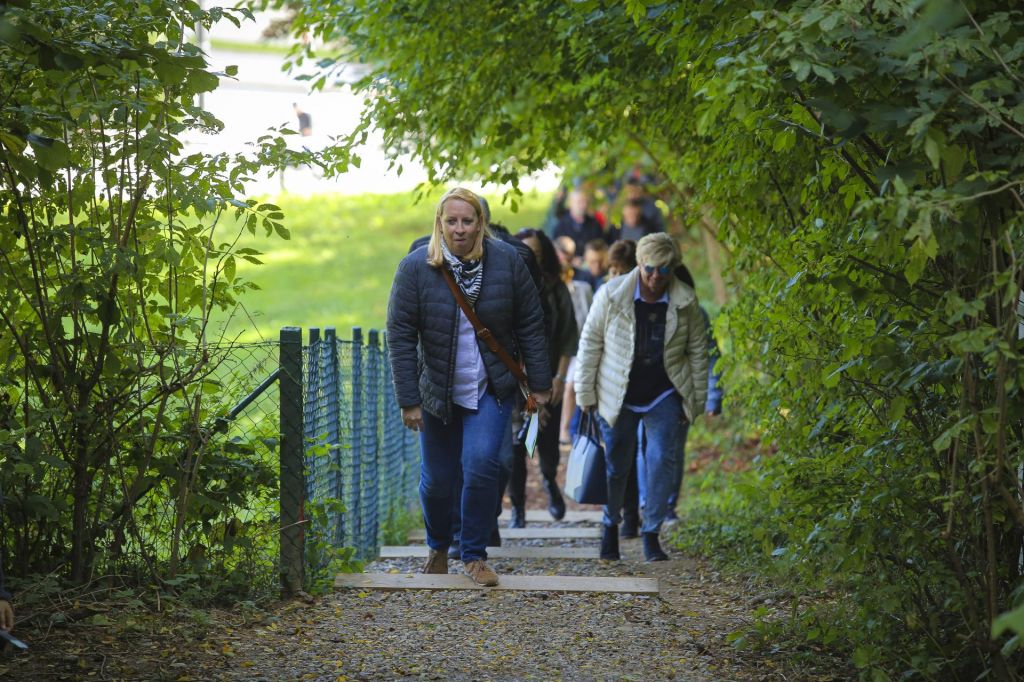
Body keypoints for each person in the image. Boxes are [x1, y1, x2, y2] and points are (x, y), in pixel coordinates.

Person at [387, 188, 552, 586]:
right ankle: (438, 546)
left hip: (489, 388)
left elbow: (532, 324)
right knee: (438, 481)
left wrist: (541, 386)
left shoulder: (508, 263)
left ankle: (474, 555)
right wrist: (409, 400)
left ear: (481, 224)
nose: (459, 229)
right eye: (452, 221)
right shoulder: (415, 268)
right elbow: (400, 334)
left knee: (482, 467)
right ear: (439, 223)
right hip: (436, 392)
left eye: (467, 220)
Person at [574, 233, 708, 562]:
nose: (655, 277)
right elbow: (590, 342)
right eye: (650, 269)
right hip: (617, 391)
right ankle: (610, 526)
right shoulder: (611, 294)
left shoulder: (685, 300)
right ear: (638, 264)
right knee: (617, 466)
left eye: (664, 270)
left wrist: (696, 401)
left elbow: (697, 353)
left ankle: (651, 532)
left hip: (664, 390)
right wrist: (584, 392)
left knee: (662, 459)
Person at [508, 229, 578, 527]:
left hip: (550, 379)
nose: (530, 259)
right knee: (515, 445)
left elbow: (567, 337)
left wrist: (558, 380)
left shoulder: (556, 289)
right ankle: (518, 510)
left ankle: (550, 482)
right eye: (526, 253)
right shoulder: (505, 286)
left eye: (536, 254)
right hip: (512, 381)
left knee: (547, 442)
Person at [553, 189, 606, 260]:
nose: (583, 205)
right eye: (580, 202)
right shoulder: (561, 226)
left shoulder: (595, 225)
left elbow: (601, 246)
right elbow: (556, 251)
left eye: (585, 201)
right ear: (571, 203)